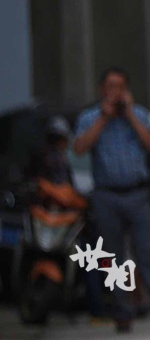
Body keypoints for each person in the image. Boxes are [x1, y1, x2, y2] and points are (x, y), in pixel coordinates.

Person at [73, 67, 150, 333]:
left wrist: (130, 117)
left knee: (148, 254)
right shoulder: (90, 118)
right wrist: (104, 118)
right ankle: (122, 313)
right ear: (103, 90)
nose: (116, 92)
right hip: (106, 195)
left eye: (121, 87)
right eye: (111, 87)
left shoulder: (139, 115)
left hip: (137, 193)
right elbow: (79, 148)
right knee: (112, 259)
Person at [28, 116, 109, 323]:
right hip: (49, 222)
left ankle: (98, 307)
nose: (58, 145)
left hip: (73, 221)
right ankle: (97, 308)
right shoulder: (44, 161)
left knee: (91, 255)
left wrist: (82, 203)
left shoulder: (75, 160)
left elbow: (78, 194)